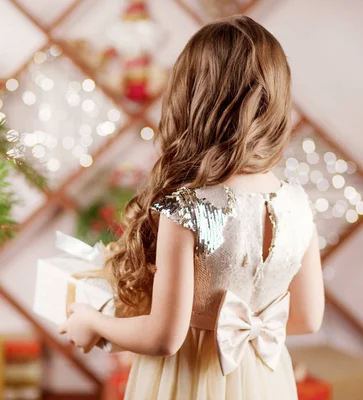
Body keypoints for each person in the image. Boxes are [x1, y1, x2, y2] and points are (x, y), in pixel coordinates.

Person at [58, 15, 324, 400]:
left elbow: (164, 336)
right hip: (265, 381)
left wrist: (92, 321)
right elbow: (307, 319)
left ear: (191, 101)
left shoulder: (187, 208)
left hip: (188, 382)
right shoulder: (299, 205)